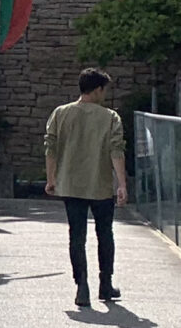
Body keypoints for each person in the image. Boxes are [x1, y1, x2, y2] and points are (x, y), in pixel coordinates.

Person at [45, 69, 128, 309]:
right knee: (105, 234)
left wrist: (51, 178)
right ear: (98, 89)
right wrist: (121, 184)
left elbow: (50, 147)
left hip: (70, 184)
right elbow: (116, 150)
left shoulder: (60, 113)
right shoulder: (110, 117)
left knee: (77, 236)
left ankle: (81, 286)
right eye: (105, 90)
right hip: (100, 185)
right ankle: (105, 284)